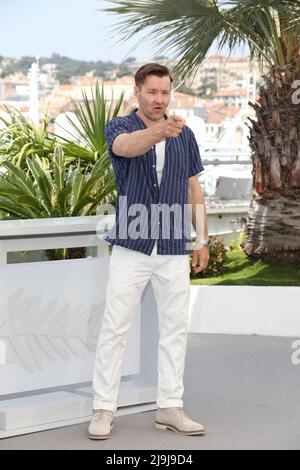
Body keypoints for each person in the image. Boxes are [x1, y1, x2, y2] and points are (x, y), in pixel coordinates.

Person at [88, 63, 210, 440]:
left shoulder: (184, 135)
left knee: (175, 328)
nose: (159, 99)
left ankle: (170, 408)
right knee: (115, 328)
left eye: (164, 93)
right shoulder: (121, 127)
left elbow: (193, 190)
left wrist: (202, 238)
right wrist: (159, 131)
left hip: (173, 245)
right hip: (132, 245)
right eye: (152, 92)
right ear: (138, 91)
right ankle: (103, 410)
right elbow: (125, 149)